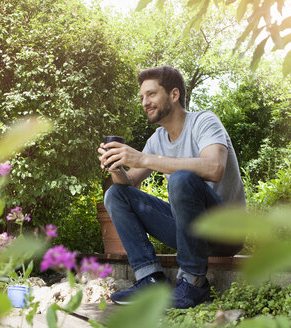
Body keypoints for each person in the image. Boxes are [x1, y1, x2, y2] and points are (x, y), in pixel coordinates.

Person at [97, 66, 246, 309]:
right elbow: (129, 183)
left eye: (152, 94)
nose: (145, 102)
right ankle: (149, 278)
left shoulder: (204, 121)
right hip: (190, 234)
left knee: (181, 178)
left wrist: (144, 159)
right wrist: (115, 166)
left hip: (226, 232)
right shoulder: (157, 139)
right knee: (115, 194)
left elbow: (215, 167)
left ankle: (194, 282)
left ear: (174, 94)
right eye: (142, 97)